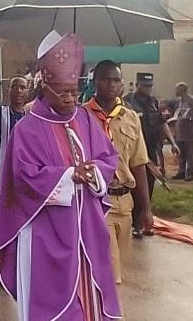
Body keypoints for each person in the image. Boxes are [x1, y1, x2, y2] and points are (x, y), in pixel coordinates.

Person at [0, 32, 122, 321]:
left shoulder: (85, 119)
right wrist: (67, 177)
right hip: (44, 230)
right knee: (52, 301)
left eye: (73, 92)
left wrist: (94, 173)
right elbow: (22, 179)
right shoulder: (27, 129)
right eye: (62, 92)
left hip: (85, 225)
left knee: (89, 296)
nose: (69, 99)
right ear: (45, 88)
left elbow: (108, 157)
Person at [84, 60, 154, 284]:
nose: (111, 85)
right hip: (96, 202)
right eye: (105, 79)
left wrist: (146, 208)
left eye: (116, 80)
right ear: (95, 82)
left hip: (125, 202)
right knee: (110, 276)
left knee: (116, 270)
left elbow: (138, 164)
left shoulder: (130, 117)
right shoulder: (81, 117)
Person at [124, 72, 179, 237]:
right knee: (135, 187)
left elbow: (162, 124)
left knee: (149, 187)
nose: (147, 89)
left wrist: (173, 143)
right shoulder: (127, 102)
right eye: (144, 86)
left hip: (151, 150)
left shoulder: (153, 102)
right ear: (137, 84)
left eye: (150, 86)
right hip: (133, 153)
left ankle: (142, 221)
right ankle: (134, 223)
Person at [0, 76, 28, 190]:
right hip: (1, 175)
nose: (18, 91)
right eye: (14, 87)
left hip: (24, 177)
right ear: (8, 90)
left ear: (27, 92)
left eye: (22, 87)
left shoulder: (31, 119)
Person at [172, 82, 193, 181]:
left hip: (189, 131)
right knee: (181, 153)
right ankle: (181, 172)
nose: (175, 92)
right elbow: (177, 115)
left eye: (177, 89)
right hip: (179, 130)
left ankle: (190, 174)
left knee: (189, 154)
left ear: (183, 90)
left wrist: (189, 118)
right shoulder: (179, 101)